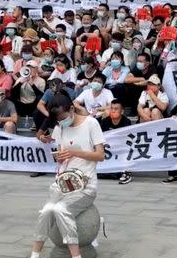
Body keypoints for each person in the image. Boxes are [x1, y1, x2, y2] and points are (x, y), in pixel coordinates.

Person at [31, 100, 105, 258]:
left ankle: (76, 256)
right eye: (58, 120)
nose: (62, 121)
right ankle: (35, 254)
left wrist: (75, 153)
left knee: (61, 209)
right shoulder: (60, 128)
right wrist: (60, 157)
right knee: (46, 211)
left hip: (85, 184)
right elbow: (61, 156)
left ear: (72, 108)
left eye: (63, 117)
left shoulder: (91, 124)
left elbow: (100, 155)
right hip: (64, 181)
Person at [98, 99, 132, 184]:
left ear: (122, 111)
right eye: (112, 108)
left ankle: (126, 173)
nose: (113, 111)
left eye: (116, 109)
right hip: (108, 150)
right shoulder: (105, 121)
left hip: (121, 150)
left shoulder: (126, 122)